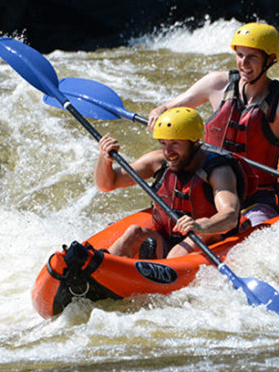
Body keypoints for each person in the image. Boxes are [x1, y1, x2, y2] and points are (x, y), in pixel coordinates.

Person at [147, 22, 279, 225]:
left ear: (270, 60)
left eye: (252, 57)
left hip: (255, 200)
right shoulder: (217, 84)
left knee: (254, 229)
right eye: (240, 55)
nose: (244, 63)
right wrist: (158, 111)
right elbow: (172, 106)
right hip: (207, 189)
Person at [95, 107, 246, 259]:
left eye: (175, 143)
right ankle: (100, 266)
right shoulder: (158, 161)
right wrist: (105, 159)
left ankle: (159, 268)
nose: (168, 152)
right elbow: (107, 184)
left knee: (191, 243)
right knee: (133, 233)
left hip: (207, 240)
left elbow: (230, 216)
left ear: (195, 142)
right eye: (163, 143)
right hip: (168, 239)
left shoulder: (219, 171)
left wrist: (201, 225)